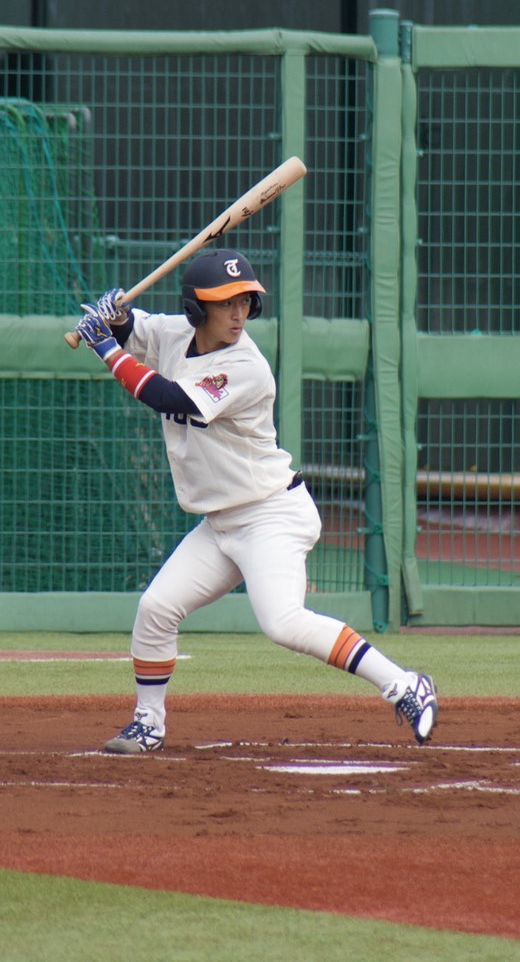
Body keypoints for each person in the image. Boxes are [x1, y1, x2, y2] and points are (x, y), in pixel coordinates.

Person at [72, 248, 437, 753]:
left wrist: (106, 350)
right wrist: (115, 318)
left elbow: (169, 398)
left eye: (246, 300)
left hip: (271, 515)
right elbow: (135, 328)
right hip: (221, 523)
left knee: (282, 621)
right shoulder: (175, 333)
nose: (239, 312)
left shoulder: (245, 365)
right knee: (156, 609)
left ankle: (403, 683)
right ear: (198, 309)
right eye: (226, 303)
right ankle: (149, 723)